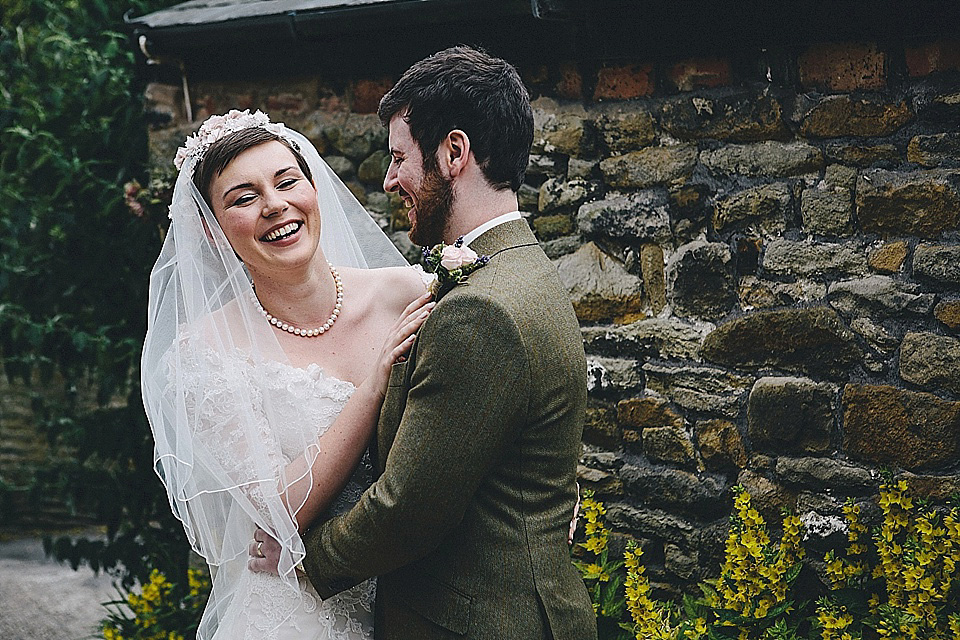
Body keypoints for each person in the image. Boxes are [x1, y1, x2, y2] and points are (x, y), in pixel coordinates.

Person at [250, 45, 598, 639]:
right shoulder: (522, 269)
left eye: (398, 159)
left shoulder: (478, 310)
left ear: (454, 153)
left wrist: (302, 561)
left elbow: (408, 511)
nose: (388, 181)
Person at [141, 108, 433, 639]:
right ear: (210, 232)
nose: (275, 206)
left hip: (419, 600)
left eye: (286, 182)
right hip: (299, 614)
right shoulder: (204, 352)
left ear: (314, 188)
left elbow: (506, 371)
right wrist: (373, 387)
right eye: (244, 198)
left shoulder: (406, 294)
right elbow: (277, 512)